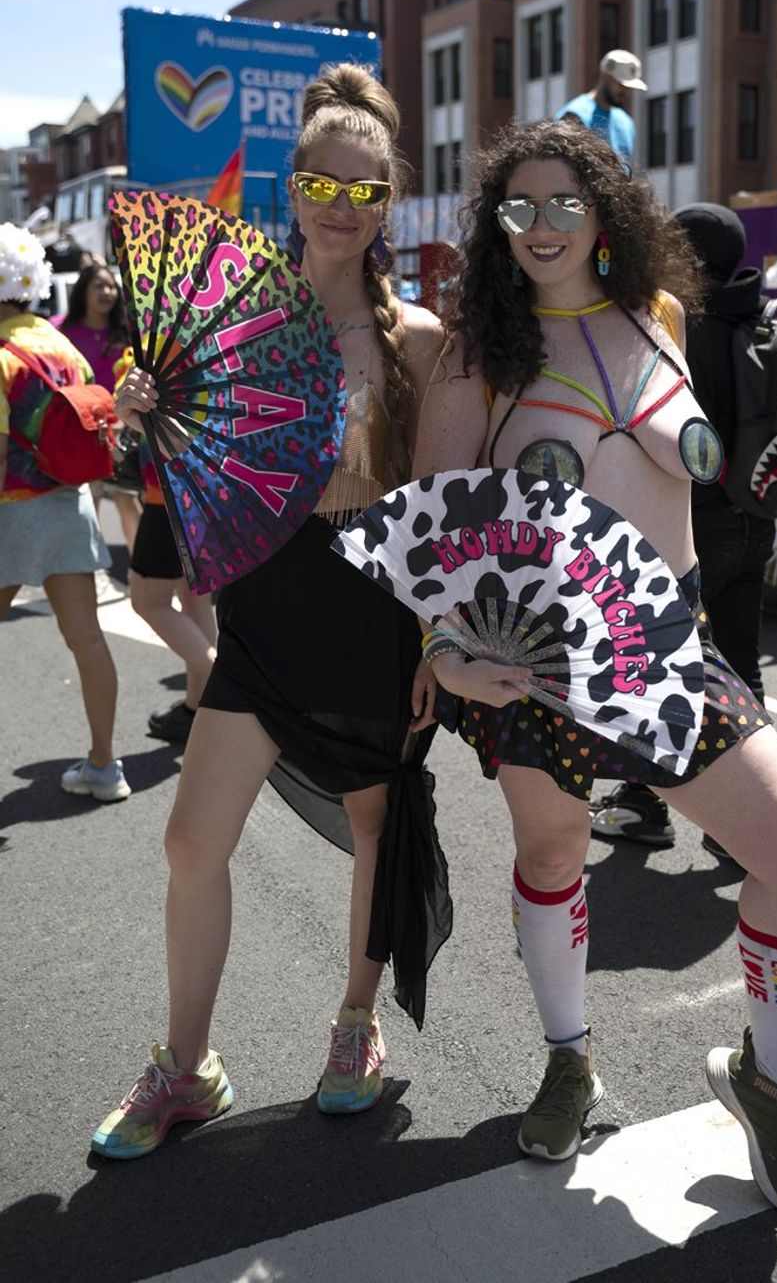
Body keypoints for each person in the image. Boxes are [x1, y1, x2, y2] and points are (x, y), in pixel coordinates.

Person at [412, 120, 777, 1213]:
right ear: (493, 225)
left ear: (604, 212)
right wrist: (443, 653)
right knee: (552, 852)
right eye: (518, 208)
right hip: (539, 655)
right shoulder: (478, 353)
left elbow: (686, 472)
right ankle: (567, 1057)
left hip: (667, 647)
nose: (542, 226)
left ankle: (771, 1082)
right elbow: (432, 529)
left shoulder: (659, 316)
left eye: (564, 203)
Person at [91, 64, 447, 1159]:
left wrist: (436, 639)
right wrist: (141, 413)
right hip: (263, 609)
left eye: (364, 192)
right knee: (191, 839)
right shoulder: (230, 317)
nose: (340, 210)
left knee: (373, 834)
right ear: (291, 189)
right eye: (321, 187)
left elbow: (442, 508)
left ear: (387, 205)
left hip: (375, 609)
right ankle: (186, 1067)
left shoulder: (422, 339)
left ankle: (356, 1025)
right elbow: (180, 461)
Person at [589, 203, 774, 852]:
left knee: (661, 669)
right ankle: (746, 820)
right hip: (757, 521)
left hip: (696, 528)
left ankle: (644, 805)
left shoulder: (676, 327)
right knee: (742, 665)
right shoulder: (761, 319)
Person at [0, 223, 129, 801]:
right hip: (68, 503)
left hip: (11, 511)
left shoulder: (3, 355)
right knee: (89, 640)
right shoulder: (62, 346)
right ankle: (105, 767)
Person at [56, 264, 142, 597]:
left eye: (111, 286)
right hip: (83, 430)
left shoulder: (126, 331)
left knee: (125, 499)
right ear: (83, 291)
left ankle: (138, 574)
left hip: (122, 430)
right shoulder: (61, 330)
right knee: (87, 501)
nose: (107, 292)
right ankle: (95, 574)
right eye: (99, 286)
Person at [128, 445, 217, 745]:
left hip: (169, 493)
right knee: (195, 599)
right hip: (209, 489)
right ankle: (198, 708)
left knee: (148, 601)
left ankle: (224, 693)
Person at [554, 50, 647, 167]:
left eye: (630, 87)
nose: (626, 92)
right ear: (605, 77)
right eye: (621, 85)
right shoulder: (575, 115)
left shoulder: (626, 122)